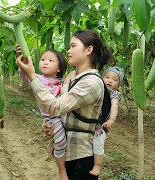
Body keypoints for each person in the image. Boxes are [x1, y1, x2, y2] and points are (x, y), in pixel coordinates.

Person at [16, 29, 113, 180]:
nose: (68, 51)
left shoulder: (92, 82)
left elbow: (56, 106)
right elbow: (62, 111)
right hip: (68, 153)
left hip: (82, 156)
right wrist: (49, 126)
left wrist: (32, 76)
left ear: (88, 50)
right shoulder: (71, 76)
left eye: (73, 46)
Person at [17, 48, 68, 180]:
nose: (45, 62)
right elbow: (26, 79)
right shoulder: (37, 78)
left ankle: (59, 152)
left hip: (62, 116)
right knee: (61, 142)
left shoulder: (62, 82)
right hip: (51, 118)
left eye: (50, 60)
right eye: (43, 59)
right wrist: (23, 67)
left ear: (59, 69)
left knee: (64, 140)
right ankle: (62, 170)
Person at [90, 66, 124, 176]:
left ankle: (97, 166)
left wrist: (111, 120)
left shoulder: (114, 94)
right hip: (90, 121)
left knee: (98, 143)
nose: (110, 80)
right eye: (107, 77)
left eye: (115, 79)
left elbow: (114, 105)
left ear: (118, 85)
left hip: (101, 125)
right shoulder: (97, 88)